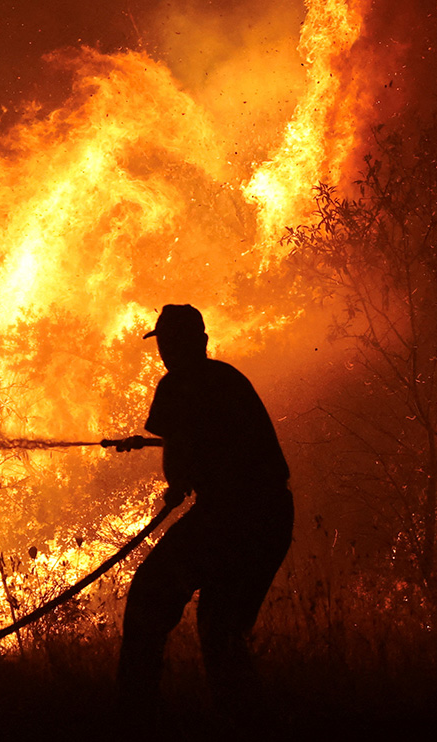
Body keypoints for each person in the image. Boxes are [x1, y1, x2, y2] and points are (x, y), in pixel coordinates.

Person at [114, 303, 294, 721]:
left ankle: (132, 717)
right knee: (221, 631)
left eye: (169, 343)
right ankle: (244, 720)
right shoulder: (227, 378)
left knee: (148, 599)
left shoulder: (177, 385)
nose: (165, 352)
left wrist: (176, 483)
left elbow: (180, 463)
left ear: (193, 342)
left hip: (231, 518)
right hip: (270, 517)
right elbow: (215, 441)